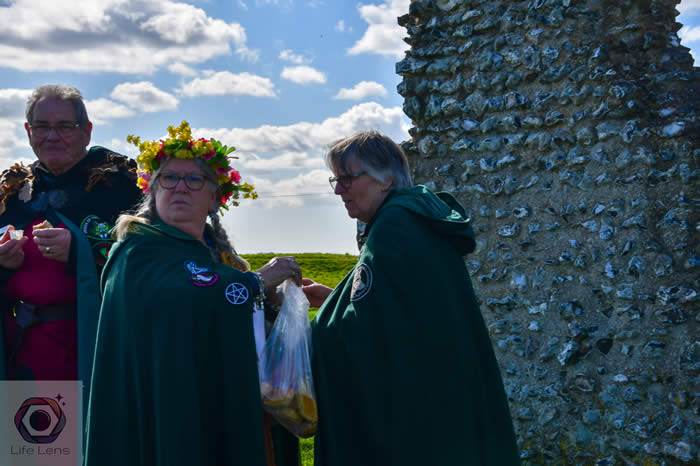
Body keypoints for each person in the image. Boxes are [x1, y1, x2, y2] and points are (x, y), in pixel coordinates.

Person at [85, 121, 301, 466]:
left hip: (217, 401)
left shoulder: (219, 257)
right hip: (168, 409)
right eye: (169, 178)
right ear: (152, 190)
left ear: (215, 196)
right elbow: (185, 296)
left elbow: (218, 302)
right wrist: (256, 283)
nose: (180, 187)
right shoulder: (135, 251)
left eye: (194, 179)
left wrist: (271, 303)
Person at [302, 131, 521, 465]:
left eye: (347, 179)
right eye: (336, 180)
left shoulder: (395, 226)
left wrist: (304, 331)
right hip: (441, 395)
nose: (338, 190)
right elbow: (399, 308)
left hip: (413, 410)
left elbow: (368, 332)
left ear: (386, 179)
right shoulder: (413, 219)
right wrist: (334, 300)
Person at [0, 85, 140, 396]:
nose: (52, 136)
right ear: (28, 131)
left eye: (64, 126)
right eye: (41, 126)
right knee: (31, 428)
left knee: (88, 428)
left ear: (86, 132)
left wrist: (80, 253)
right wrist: (4, 264)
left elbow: (148, 262)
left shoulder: (120, 187)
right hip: (23, 353)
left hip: (96, 349)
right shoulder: (13, 193)